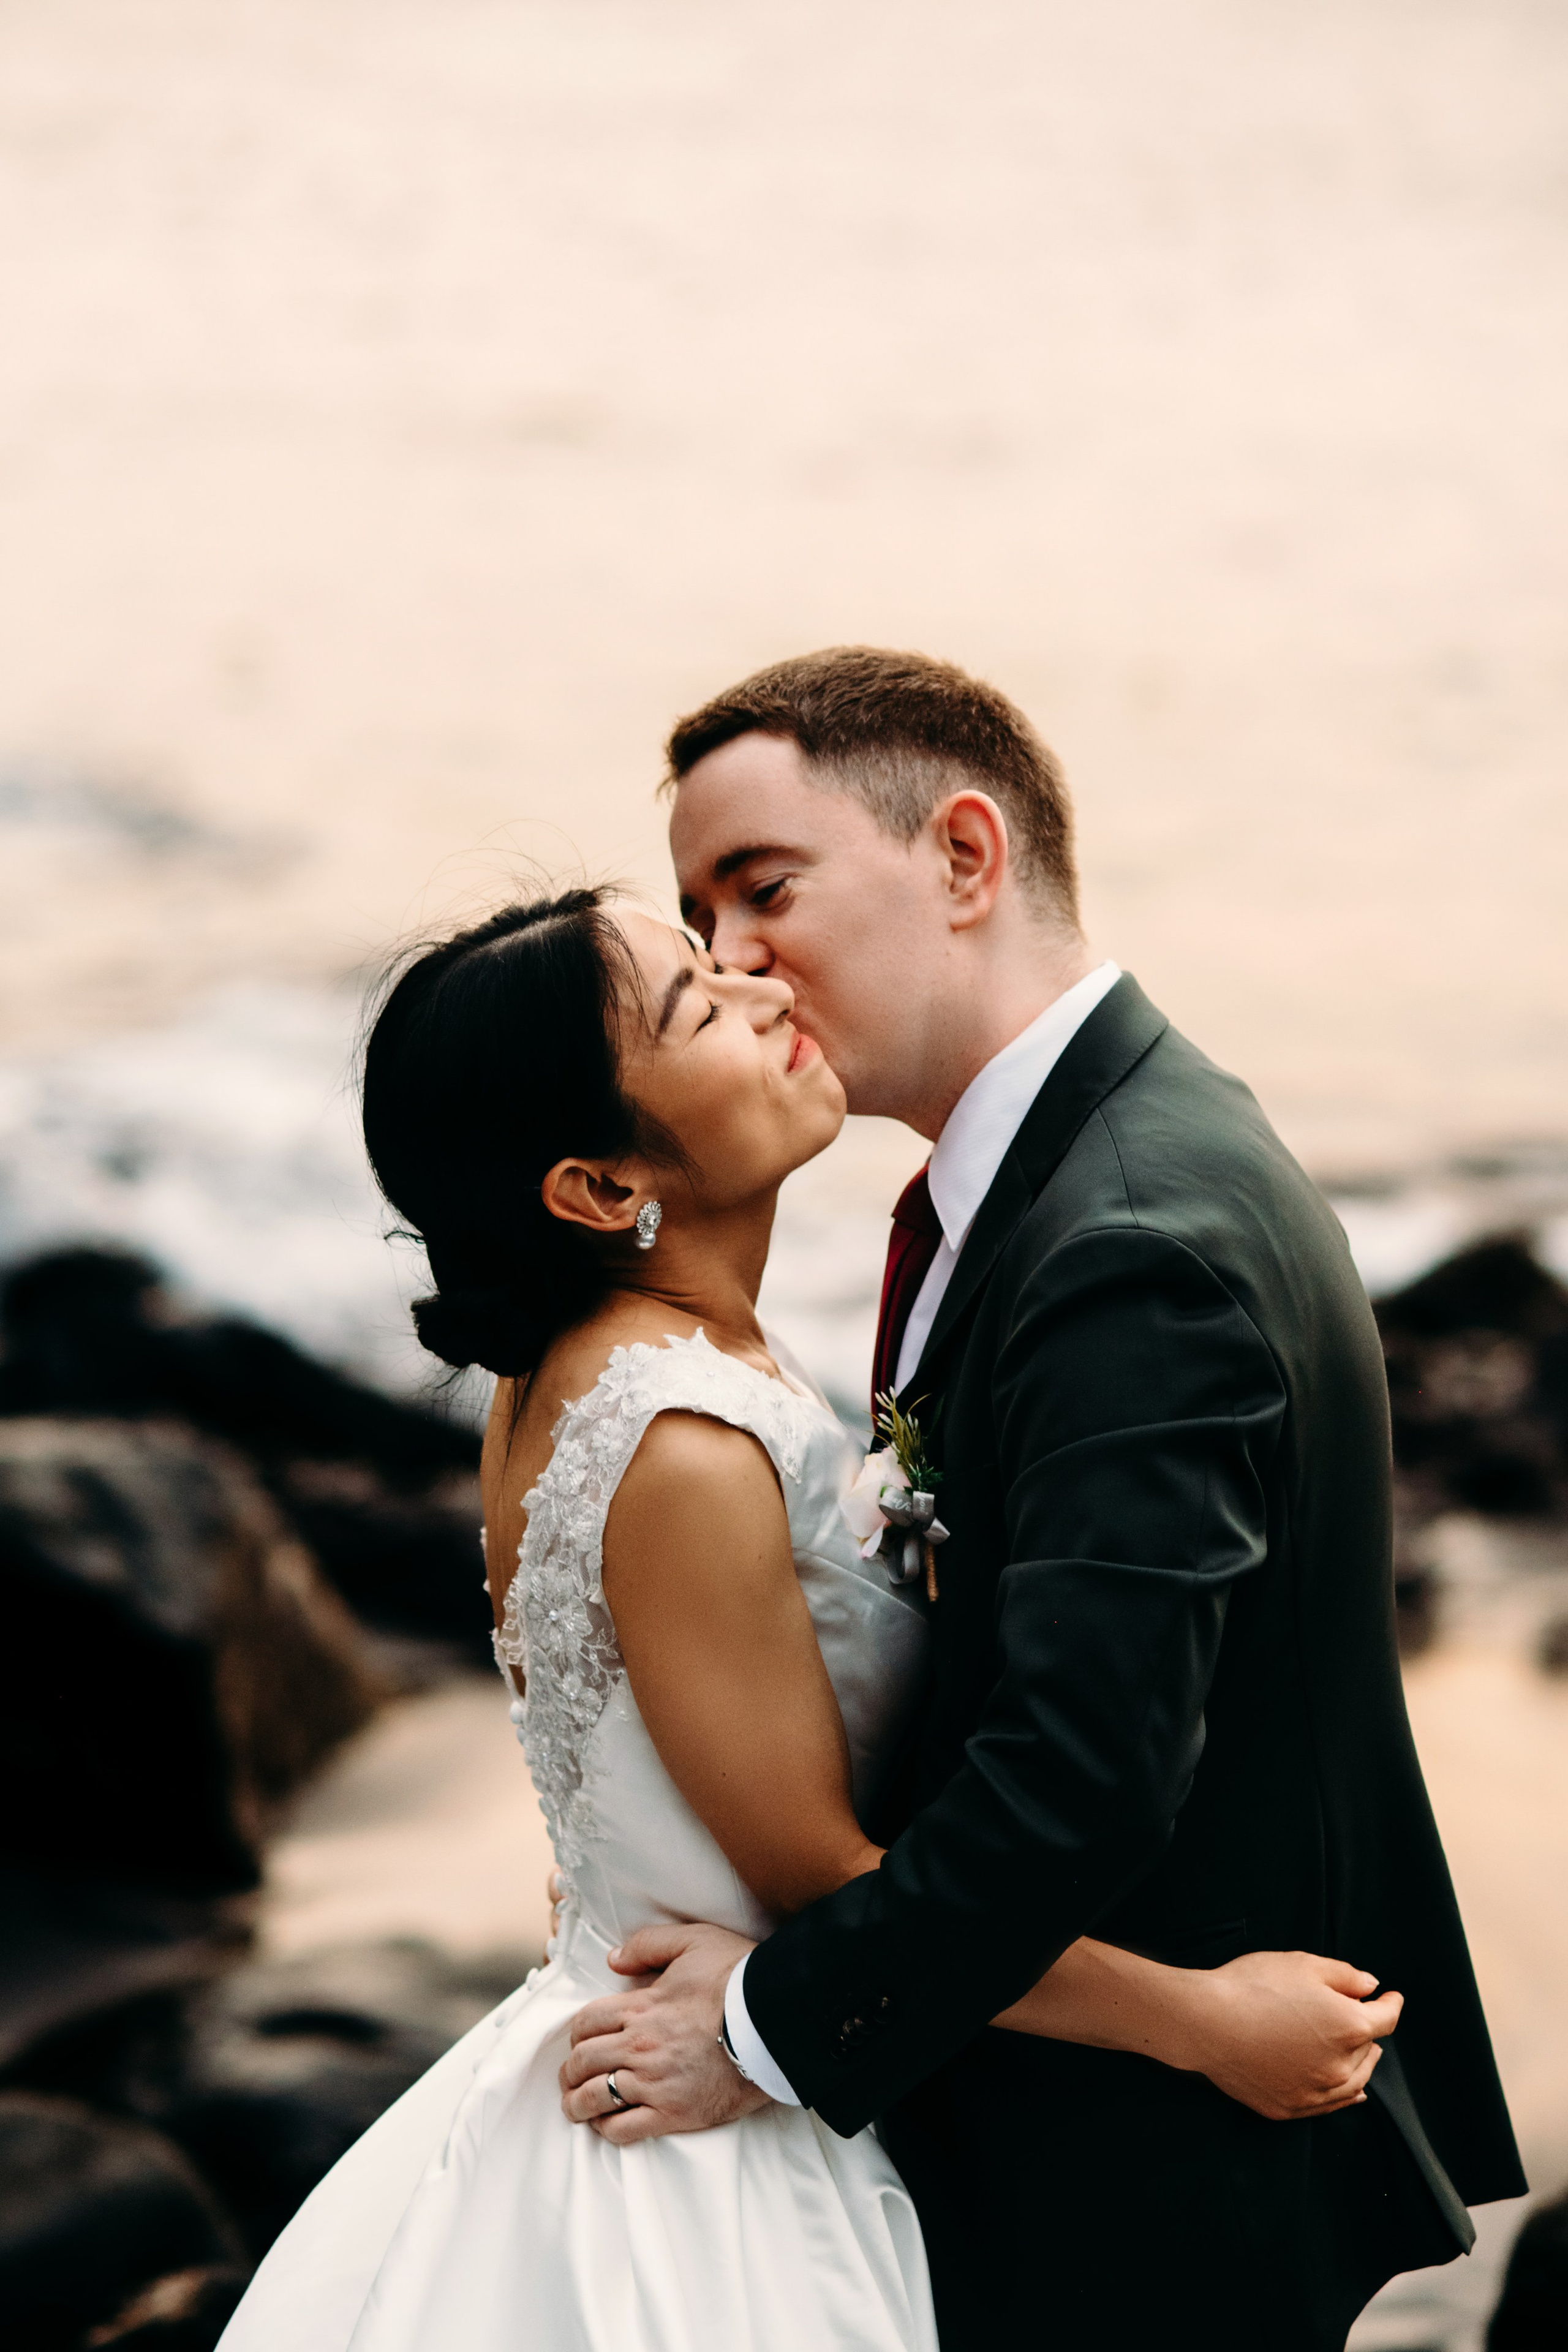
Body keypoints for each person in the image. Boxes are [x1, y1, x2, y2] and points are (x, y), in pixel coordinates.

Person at [219, 882, 1406, 2352]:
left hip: (642, 2017)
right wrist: (1206, 2024)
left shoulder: (586, 1367)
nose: (767, 991)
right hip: (698, 2170)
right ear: (597, 1189)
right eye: (699, 1006)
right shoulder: (676, 1442)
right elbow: (824, 1886)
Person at [555, 647, 1526, 2352]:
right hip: (1063, 2135)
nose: (731, 961)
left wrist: (769, 2022)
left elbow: (1078, 1782)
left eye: (760, 888)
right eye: (699, 921)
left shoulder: (1130, 1242)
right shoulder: (1045, 1177)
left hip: (1148, 2193)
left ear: (964, 857)